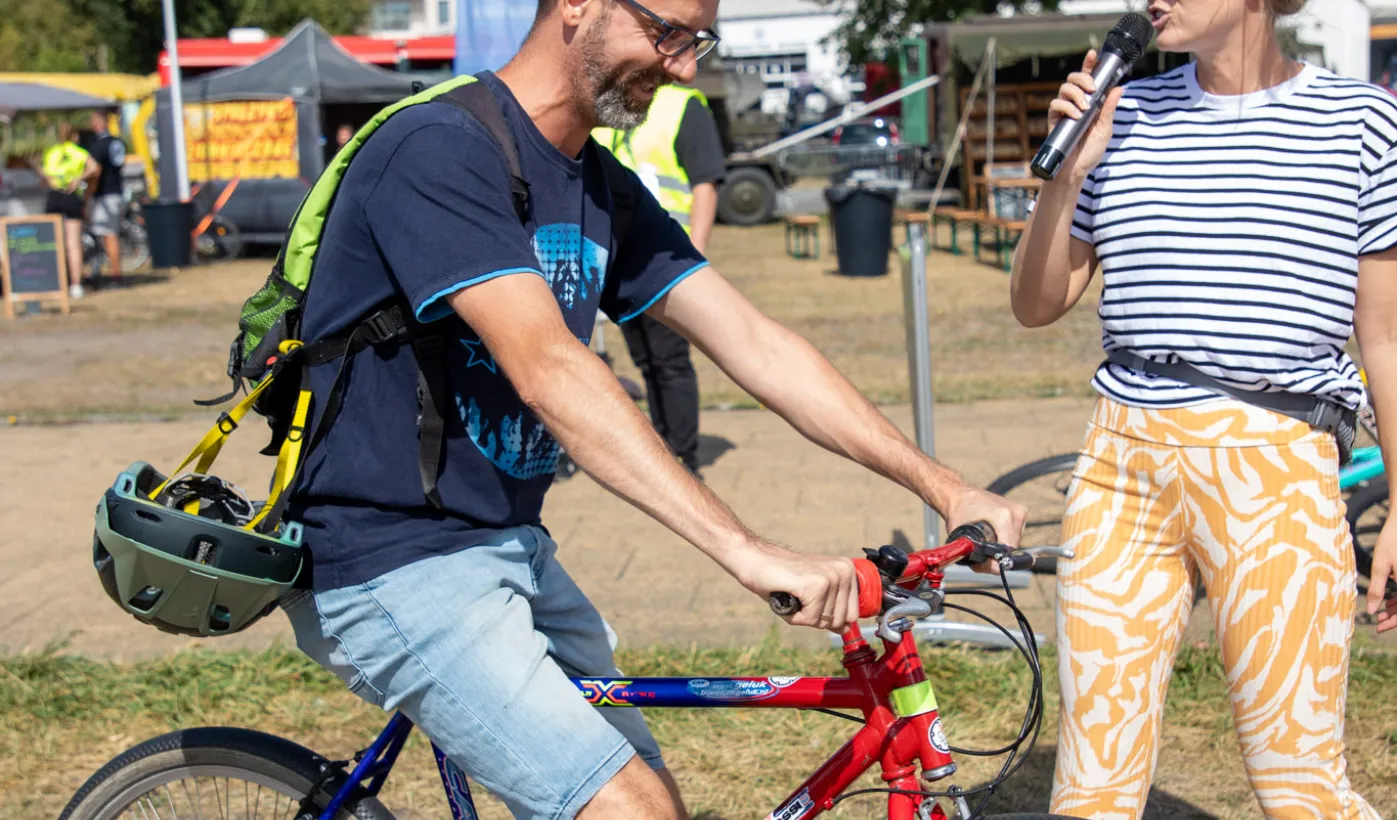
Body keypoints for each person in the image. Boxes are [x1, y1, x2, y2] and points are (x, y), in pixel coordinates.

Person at [278, 0, 1026, 818]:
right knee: (627, 809)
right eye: (669, 32)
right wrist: (746, 551)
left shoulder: (598, 183)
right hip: (392, 561)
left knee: (651, 802)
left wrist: (944, 486)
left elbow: (751, 341)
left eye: (696, 40)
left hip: (509, 545)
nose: (683, 67)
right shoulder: (437, 151)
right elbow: (549, 369)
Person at [1010, 0, 1396, 815]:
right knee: (1088, 788)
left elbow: (1386, 338)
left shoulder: (1360, 121)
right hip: (1122, 465)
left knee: (1298, 784)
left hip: (1276, 462)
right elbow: (1036, 303)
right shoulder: (1124, 111)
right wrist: (1067, 176)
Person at [593, 83, 723, 475]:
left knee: (670, 360)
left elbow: (705, 183)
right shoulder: (610, 105)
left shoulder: (682, 106)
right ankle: (664, 443)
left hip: (667, 257)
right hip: (620, 259)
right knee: (646, 359)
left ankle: (684, 453)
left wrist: (693, 257)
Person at [40, 122, 98, 298]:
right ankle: (75, 284)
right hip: (72, 196)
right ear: (75, 136)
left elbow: (45, 174)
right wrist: (79, 178)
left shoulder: (52, 153)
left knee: (53, 242)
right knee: (73, 243)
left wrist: (52, 179)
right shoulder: (78, 152)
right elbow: (94, 167)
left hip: (55, 196)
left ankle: (56, 281)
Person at [85, 109, 128, 283]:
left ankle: (115, 274)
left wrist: (87, 194)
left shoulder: (99, 145)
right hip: (118, 191)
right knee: (111, 233)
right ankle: (114, 273)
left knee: (109, 235)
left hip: (105, 195)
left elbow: (95, 172)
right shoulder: (118, 142)